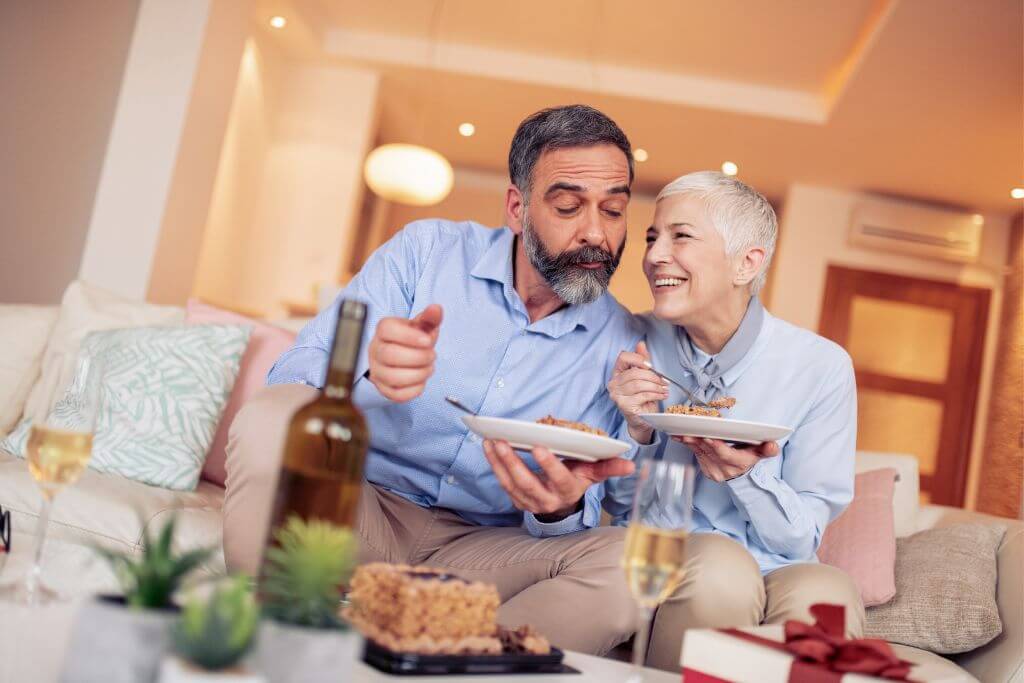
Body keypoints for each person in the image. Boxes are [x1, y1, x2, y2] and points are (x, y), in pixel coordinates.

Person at [224, 104, 643, 654]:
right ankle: (271, 647)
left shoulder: (625, 341)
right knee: (273, 416)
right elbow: (295, 377)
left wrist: (557, 509)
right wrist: (365, 369)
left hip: (485, 551)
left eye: (613, 211)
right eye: (569, 206)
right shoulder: (426, 253)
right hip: (356, 511)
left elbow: (607, 506)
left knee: (631, 565)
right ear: (517, 208)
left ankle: (455, 664)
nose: (596, 232)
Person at [605, 171, 864, 671]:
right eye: (652, 237)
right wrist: (635, 431)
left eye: (680, 235)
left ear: (748, 262)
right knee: (723, 571)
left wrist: (748, 476)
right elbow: (611, 506)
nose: (655, 255)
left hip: (779, 559)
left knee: (829, 593)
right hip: (671, 548)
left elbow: (800, 538)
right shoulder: (632, 343)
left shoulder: (820, 365)